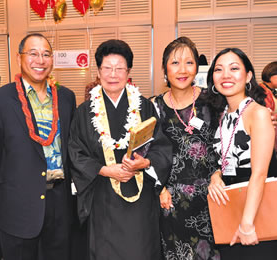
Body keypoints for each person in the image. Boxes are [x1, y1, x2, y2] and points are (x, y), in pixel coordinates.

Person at [68, 39, 172, 260]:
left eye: (119, 68)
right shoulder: (84, 112)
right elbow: (75, 152)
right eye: (107, 68)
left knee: (140, 251)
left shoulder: (144, 106)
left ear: (128, 72)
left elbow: (161, 147)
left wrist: (144, 163)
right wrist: (106, 170)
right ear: (98, 71)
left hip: (140, 198)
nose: (113, 74)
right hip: (103, 196)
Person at [0, 33, 76, 260]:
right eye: (33, 54)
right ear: (19, 57)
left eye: (46, 54)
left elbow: (70, 144)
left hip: (60, 204)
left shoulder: (66, 97)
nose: (40, 60)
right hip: (18, 206)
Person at [153, 36, 221, 259]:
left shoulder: (214, 101)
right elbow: (145, 152)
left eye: (189, 62)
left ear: (197, 67)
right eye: (175, 63)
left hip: (211, 201)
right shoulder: (152, 107)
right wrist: (159, 188)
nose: (182, 69)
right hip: (169, 202)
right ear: (165, 69)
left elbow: (229, 139)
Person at [207, 48, 277, 259]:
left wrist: (247, 223)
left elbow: (259, 174)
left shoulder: (258, 113)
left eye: (234, 68)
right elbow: (226, 158)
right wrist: (216, 175)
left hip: (255, 213)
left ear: (247, 76)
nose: (226, 75)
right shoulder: (222, 114)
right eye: (219, 69)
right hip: (230, 209)